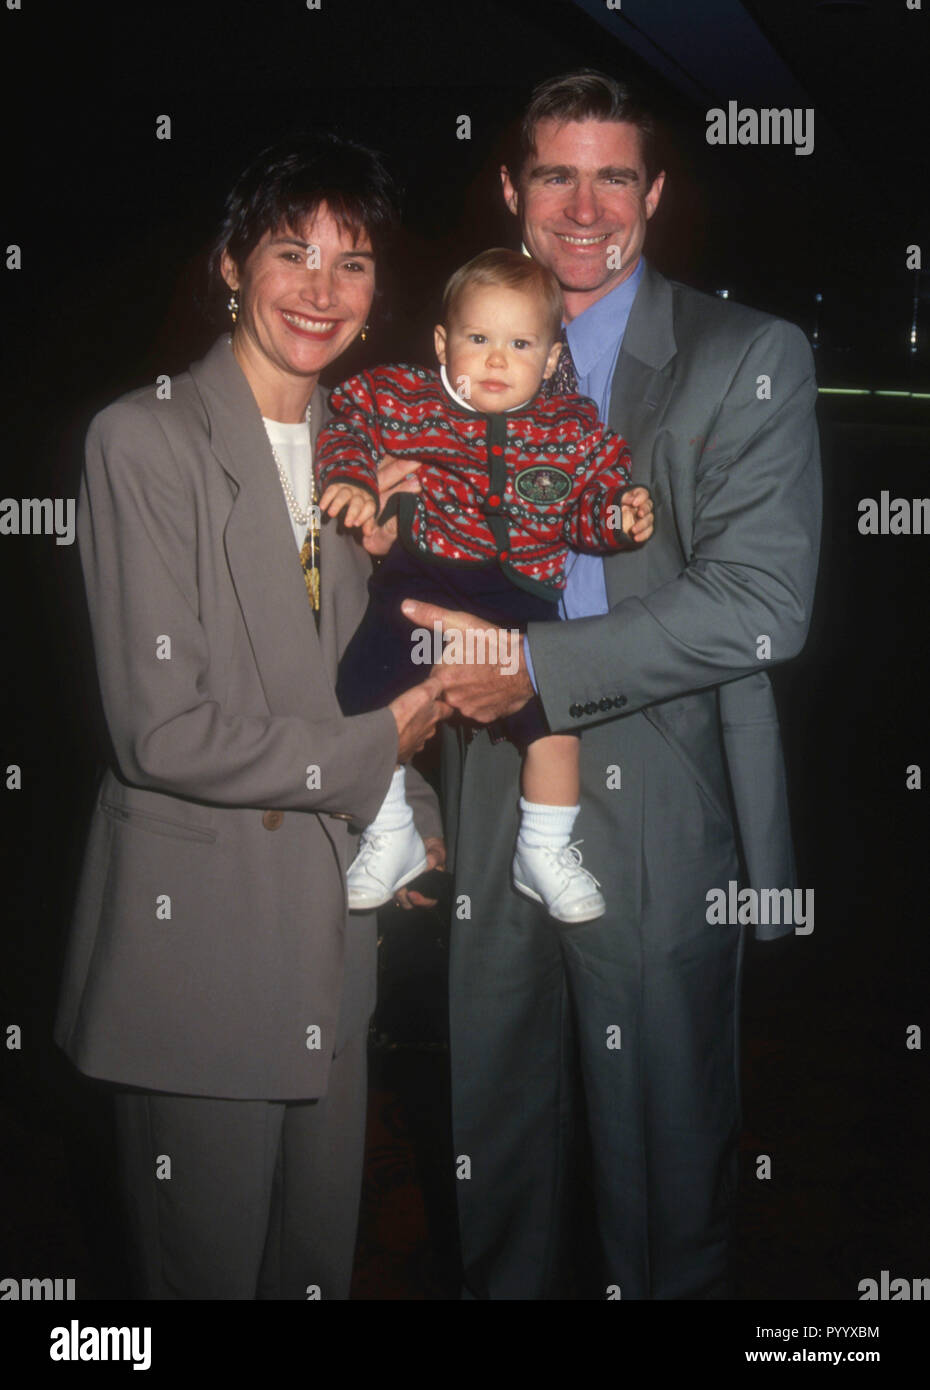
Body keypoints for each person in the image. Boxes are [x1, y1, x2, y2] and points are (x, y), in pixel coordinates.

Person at [403, 71, 822, 1298]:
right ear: (510, 190)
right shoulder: (455, 359)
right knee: (496, 1143)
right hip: (488, 783)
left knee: (660, 1162)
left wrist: (533, 663)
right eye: (553, 174)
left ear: (654, 192)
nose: (582, 207)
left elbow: (762, 604)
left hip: (657, 794)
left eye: (613, 176)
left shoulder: (746, 355)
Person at [54, 132, 450, 1300]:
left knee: (314, 1263)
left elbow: (362, 671)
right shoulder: (144, 439)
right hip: (203, 944)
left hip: (332, 935)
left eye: (354, 262)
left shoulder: (363, 451)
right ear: (232, 263)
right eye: (292, 253)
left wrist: (414, 806)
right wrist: (386, 751)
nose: (322, 291)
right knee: (205, 1274)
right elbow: (162, 730)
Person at [315, 248, 653, 922]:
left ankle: (545, 848)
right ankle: (391, 834)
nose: (496, 360)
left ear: (553, 358)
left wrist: (617, 517)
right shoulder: (407, 399)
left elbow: (587, 508)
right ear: (444, 343)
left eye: (520, 343)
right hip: (423, 577)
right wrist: (351, 477)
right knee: (363, 692)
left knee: (554, 726)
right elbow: (346, 419)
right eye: (478, 339)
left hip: (519, 598)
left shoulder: (571, 428)